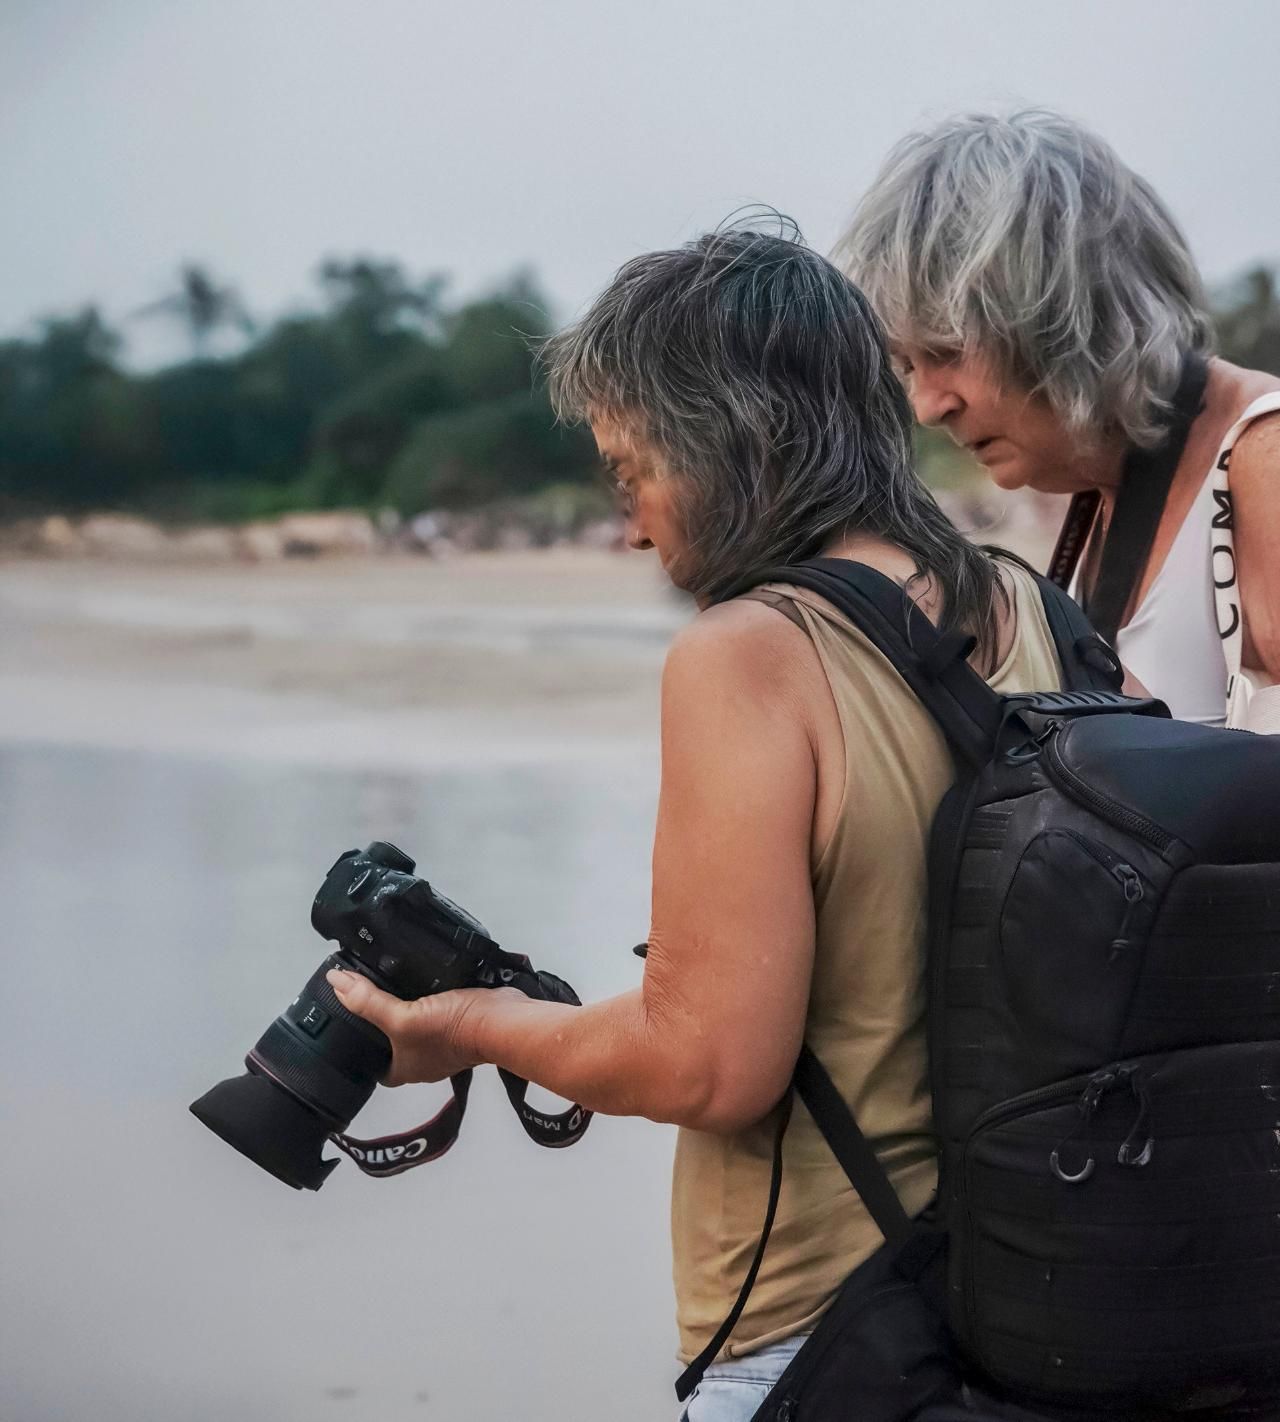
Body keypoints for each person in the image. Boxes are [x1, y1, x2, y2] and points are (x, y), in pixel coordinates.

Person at [325, 225, 1065, 1420]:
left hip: (828, 1329)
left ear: (723, 439)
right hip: (1046, 1305)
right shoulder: (1036, 607)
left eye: (629, 470)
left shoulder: (749, 656)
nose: (628, 524)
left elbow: (708, 1061)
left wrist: (470, 1024)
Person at [837, 109, 1280, 732]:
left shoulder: (1262, 460)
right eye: (907, 366)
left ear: (1063, 315)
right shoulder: (1103, 485)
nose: (928, 405)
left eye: (946, 352)